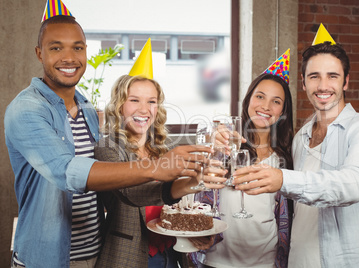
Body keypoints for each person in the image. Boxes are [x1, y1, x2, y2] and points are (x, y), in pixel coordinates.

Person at [4, 14, 211, 268]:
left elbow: (128, 194)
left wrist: (189, 182)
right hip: (48, 257)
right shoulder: (27, 109)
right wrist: (157, 168)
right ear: (39, 53)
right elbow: (67, 171)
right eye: (56, 47)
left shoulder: (86, 109)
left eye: (77, 48)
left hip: (93, 252)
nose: (69, 57)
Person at [234, 41, 359, 267]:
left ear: (345, 82)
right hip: (297, 260)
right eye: (314, 76)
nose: (323, 85)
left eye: (332, 76)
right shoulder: (301, 137)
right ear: (304, 83)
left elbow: (353, 185)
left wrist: (282, 179)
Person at [94, 72, 226, 268]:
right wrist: (189, 183)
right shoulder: (107, 148)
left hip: (170, 255)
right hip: (128, 256)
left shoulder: (162, 150)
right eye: (134, 100)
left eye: (151, 101)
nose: (144, 109)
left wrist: (194, 234)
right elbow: (133, 193)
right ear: (119, 106)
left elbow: (176, 208)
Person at [193, 50, 294, 268]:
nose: (266, 106)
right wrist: (214, 144)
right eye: (260, 96)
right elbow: (199, 188)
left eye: (276, 101)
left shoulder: (286, 157)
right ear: (248, 99)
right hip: (216, 259)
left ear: (284, 110)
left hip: (263, 261)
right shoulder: (228, 144)